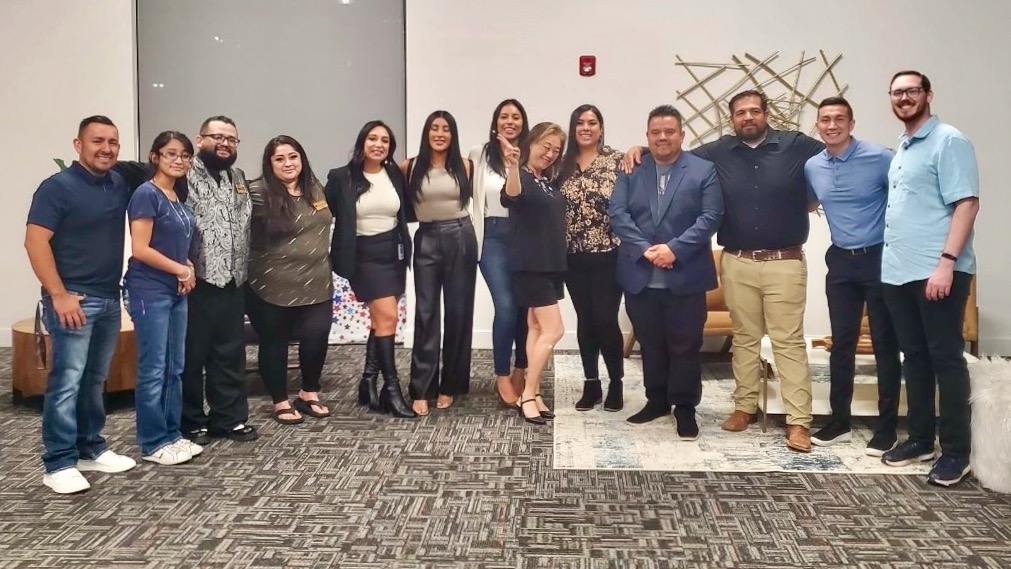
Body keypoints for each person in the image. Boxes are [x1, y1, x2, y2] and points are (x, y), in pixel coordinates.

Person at [624, 90, 824, 452]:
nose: (748, 117)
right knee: (745, 338)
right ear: (732, 119)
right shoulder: (717, 152)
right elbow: (669, 153)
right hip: (737, 259)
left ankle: (798, 422)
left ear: (766, 114)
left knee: (787, 342)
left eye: (754, 111)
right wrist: (638, 148)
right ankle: (744, 407)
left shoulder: (796, 145)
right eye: (740, 113)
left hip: (785, 260)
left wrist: (820, 197)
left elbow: (834, 152)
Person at [25, 115, 137, 494]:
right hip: (72, 298)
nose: (106, 148)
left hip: (107, 296)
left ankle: (90, 447)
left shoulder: (119, 182)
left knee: (93, 380)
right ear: (78, 145)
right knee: (66, 381)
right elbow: (35, 243)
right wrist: (58, 294)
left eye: (113, 142)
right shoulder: (56, 188)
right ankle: (58, 462)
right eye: (97, 141)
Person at [879, 71, 980, 487]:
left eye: (912, 91)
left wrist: (946, 262)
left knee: (945, 359)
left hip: (937, 271)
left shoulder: (949, 140)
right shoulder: (904, 146)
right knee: (914, 357)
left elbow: (967, 204)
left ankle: (956, 452)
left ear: (928, 95)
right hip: (898, 271)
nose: (904, 98)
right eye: (897, 92)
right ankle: (920, 438)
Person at [609, 105, 723, 439]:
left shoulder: (703, 170)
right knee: (651, 344)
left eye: (669, 131)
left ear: (681, 135)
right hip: (640, 275)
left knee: (686, 346)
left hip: (685, 275)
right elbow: (618, 213)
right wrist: (645, 248)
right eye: (655, 132)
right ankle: (656, 400)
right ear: (647, 136)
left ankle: (685, 408)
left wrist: (674, 249)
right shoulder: (632, 169)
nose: (662, 137)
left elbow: (710, 218)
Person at [804, 97, 902, 454]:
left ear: (851, 122)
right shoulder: (813, 166)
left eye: (839, 119)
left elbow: (905, 200)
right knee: (841, 345)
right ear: (818, 125)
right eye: (825, 119)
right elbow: (808, 203)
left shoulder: (880, 158)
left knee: (884, 344)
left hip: (878, 258)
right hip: (841, 262)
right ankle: (839, 421)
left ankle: (887, 427)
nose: (832, 125)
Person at [325, 120, 416, 419]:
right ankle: (392, 389)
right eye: (373, 138)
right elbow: (330, 212)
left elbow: (405, 212)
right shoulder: (341, 178)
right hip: (363, 257)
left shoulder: (394, 173)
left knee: (380, 321)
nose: (379, 144)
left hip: (393, 254)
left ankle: (367, 381)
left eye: (385, 141)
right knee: (389, 316)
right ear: (362, 142)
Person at [123, 131, 201, 465]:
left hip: (174, 290)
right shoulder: (146, 194)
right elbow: (141, 249)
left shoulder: (175, 196)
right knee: (154, 368)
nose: (179, 160)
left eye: (184, 155)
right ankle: (153, 441)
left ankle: (172, 434)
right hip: (148, 290)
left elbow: (178, 244)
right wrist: (180, 271)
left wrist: (187, 267)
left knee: (175, 366)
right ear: (155, 157)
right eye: (171, 154)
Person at [247, 136, 334, 425]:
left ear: (302, 158)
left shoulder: (315, 188)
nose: (288, 163)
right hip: (272, 284)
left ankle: (308, 392)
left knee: (317, 336)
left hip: (317, 280)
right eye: (280, 158)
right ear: (269, 164)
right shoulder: (257, 193)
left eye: (293, 156)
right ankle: (280, 401)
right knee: (275, 342)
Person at [181, 116, 258, 443]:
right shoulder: (182, 174)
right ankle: (190, 422)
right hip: (195, 282)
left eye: (231, 139)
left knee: (230, 353)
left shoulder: (238, 177)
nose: (225, 143)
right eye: (217, 137)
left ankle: (229, 419)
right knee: (191, 355)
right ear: (200, 140)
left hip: (233, 281)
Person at [400, 111, 477, 415]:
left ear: (453, 134)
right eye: (434, 128)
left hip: (461, 235)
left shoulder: (466, 166)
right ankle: (422, 388)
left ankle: (450, 385)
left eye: (446, 129)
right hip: (427, 237)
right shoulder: (410, 166)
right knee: (426, 313)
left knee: (459, 313)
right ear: (427, 132)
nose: (440, 133)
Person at [557, 104, 625, 412]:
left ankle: (616, 384)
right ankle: (591, 384)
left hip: (609, 255)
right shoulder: (561, 165)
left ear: (600, 127)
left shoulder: (618, 160)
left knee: (606, 320)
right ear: (573, 128)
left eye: (592, 122)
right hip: (572, 256)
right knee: (585, 321)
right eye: (580, 123)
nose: (586, 127)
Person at [499, 122, 567, 426]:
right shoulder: (522, 177)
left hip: (550, 263)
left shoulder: (545, 181)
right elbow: (511, 196)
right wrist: (513, 166)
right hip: (530, 265)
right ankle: (527, 394)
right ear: (531, 144)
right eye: (545, 146)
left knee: (537, 329)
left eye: (556, 149)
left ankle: (536, 392)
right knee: (554, 330)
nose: (550, 153)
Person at [469, 99, 531, 406]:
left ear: (523, 123)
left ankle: (522, 370)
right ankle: (502, 376)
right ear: (496, 123)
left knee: (523, 308)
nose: (510, 121)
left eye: (516, 117)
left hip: (524, 238)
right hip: (492, 236)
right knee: (506, 306)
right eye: (504, 116)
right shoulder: (479, 155)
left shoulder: (530, 154)